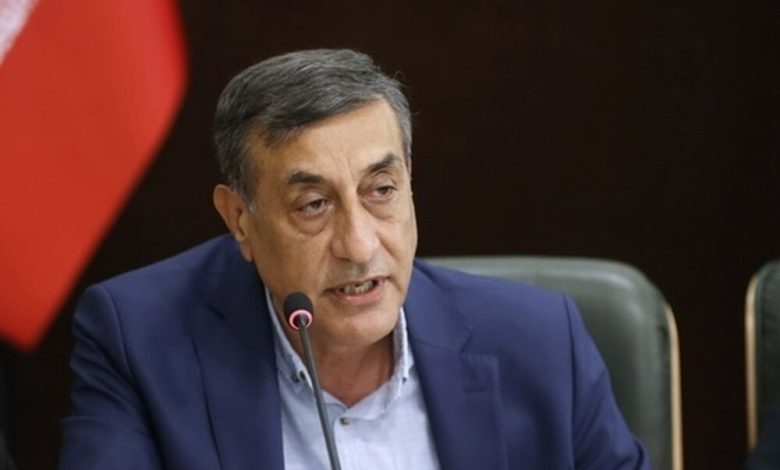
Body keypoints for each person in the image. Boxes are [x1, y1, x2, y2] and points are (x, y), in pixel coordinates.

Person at [59, 49, 648, 469]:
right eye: (313, 205)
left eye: (381, 190)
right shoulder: (138, 340)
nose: (360, 246)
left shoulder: (542, 343)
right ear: (240, 219)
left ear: (409, 182)